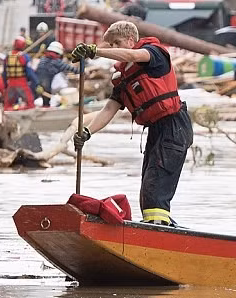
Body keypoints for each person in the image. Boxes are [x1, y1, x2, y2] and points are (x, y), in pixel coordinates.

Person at [70, 21, 193, 226]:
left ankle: (158, 231)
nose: (113, 49)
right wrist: (87, 132)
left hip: (174, 126)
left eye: (116, 43)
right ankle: (154, 227)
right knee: (147, 191)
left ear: (130, 40)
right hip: (156, 129)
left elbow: (133, 56)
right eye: (109, 45)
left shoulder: (153, 54)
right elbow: (108, 110)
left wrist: (95, 51)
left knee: (156, 189)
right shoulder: (124, 77)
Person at [1, 36, 39, 110]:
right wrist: (36, 83)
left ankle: (7, 118)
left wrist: (6, 85)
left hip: (11, 84)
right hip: (22, 83)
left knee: (7, 105)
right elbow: (30, 73)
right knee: (30, 103)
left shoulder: (8, 57)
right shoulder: (24, 57)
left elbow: (4, 74)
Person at [35, 41, 77, 106]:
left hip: (38, 83)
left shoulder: (43, 59)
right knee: (47, 100)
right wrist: (82, 71)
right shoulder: (56, 62)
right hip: (47, 84)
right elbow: (69, 68)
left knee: (44, 99)